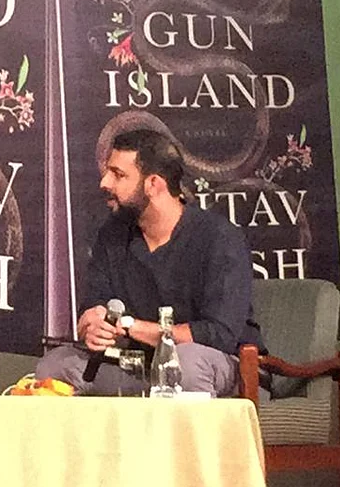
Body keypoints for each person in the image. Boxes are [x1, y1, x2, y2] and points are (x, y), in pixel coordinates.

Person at [36, 128, 264, 396]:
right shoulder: (113, 234)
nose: (105, 183)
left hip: (222, 366)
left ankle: (190, 437)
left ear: (153, 184)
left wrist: (131, 326)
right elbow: (92, 306)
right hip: (139, 365)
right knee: (54, 366)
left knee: (186, 362)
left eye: (118, 175)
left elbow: (219, 335)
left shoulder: (219, 238)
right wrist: (93, 325)